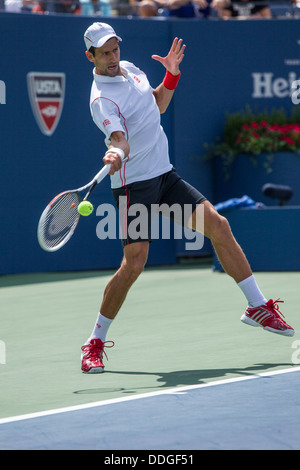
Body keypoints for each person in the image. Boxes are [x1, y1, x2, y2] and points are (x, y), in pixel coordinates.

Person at [81, 22, 294, 374]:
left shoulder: (131, 70)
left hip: (163, 175)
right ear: (90, 56)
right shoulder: (101, 100)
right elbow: (120, 139)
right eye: (104, 52)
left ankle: (257, 306)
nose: (113, 56)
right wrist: (115, 151)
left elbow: (159, 106)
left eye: (115, 48)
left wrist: (171, 76)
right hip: (134, 186)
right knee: (133, 265)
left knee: (219, 227)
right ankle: (95, 342)